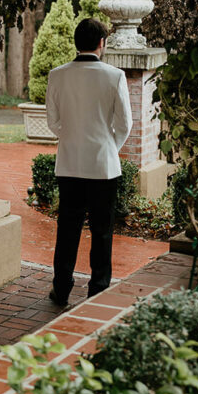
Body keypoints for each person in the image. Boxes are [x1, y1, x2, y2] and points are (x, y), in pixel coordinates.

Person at [45, 17, 132, 307]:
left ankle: (61, 288)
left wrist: (71, 138)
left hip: (69, 163)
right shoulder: (114, 76)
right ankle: (98, 289)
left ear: (76, 42)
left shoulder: (57, 75)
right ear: (101, 43)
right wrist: (108, 146)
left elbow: (53, 122)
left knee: (67, 229)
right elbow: (125, 124)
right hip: (103, 167)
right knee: (102, 230)